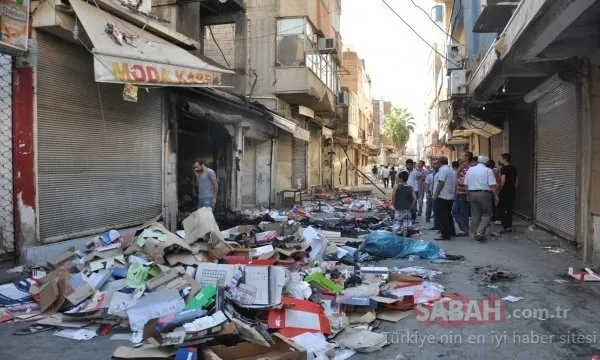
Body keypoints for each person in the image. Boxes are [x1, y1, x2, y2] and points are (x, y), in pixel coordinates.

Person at [464, 156, 498, 242]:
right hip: (484, 194)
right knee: (487, 214)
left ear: (478, 161)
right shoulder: (488, 170)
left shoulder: (470, 170)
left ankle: (475, 233)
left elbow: (466, 184)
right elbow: (492, 185)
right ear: (486, 163)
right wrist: (495, 195)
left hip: (472, 193)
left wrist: (468, 194)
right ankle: (479, 233)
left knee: (475, 214)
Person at [433, 156, 457, 240]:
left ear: (440, 162)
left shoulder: (443, 170)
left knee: (443, 216)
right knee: (448, 215)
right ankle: (451, 231)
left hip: (443, 196)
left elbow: (441, 182)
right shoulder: (452, 170)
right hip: (450, 196)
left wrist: (436, 194)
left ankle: (445, 235)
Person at [497, 153, 519, 233]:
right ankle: (509, 226)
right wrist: (514, 188)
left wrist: (499, 190)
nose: (500, 160)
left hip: (504, 191)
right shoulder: (514, 168)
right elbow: (517, 180)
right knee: (510, 209)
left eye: (501, 158)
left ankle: (505, 226)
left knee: (501, 208)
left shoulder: (503, 168)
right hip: (511, 190)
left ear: (504, 159)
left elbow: (503, 180)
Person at [452, 151, 472, 237]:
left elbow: (462, 182)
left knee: (463, 212)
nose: (461, 157)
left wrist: (459, 180)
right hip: (458, 192)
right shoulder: (462, 167)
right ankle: (464, 229)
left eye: (463, 156)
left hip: (464, 193)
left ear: (467, 158)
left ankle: (464, 230)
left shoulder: (468, 168)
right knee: (455, 212)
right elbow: (457, 179)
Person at [392, 171, 417, 237]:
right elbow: (415, 198)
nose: (397, 179)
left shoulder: (396, 186)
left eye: (397, 178)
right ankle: (404, 239)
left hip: (398, 208)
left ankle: (395, 239)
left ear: (401, 179)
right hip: (407, 210)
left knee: (397, 225)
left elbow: (393, 196)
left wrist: (393, 205)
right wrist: (410, 207)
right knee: (405, 227)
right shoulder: (410, 187)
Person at [487, 159, 501, 237]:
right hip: (492, 194)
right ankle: (492, 231)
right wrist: (496, 194)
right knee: (492, 213)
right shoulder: (495, 173)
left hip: (484, 194)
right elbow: (498, 184)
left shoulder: (484, 172)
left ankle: (480, 231)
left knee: (483, 213)